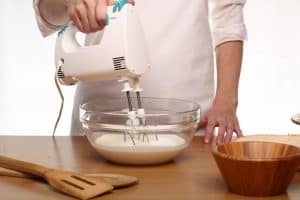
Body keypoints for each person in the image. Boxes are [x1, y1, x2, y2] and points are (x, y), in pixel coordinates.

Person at [33, 0, 247, 145]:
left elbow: (228, 17)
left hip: (188, 128)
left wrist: (226, 102)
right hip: (97, 125)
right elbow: (46, 13)